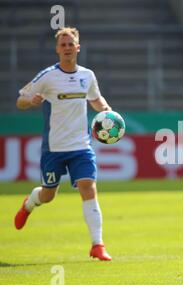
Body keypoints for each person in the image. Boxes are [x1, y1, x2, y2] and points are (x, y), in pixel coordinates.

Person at [14, 27, 112, 261]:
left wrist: (107, 111)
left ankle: (97, 245)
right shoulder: (48, 76)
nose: (68, 48)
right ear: (57, 49)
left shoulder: (87, 76)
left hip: (81, 146)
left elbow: (96, 99)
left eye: (72, 44)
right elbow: (20, 100)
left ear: (78, 47)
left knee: (88, 186)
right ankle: (29, 204)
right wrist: (31, 101)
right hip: (54, 148)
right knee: (48, 195)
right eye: (64, 45)